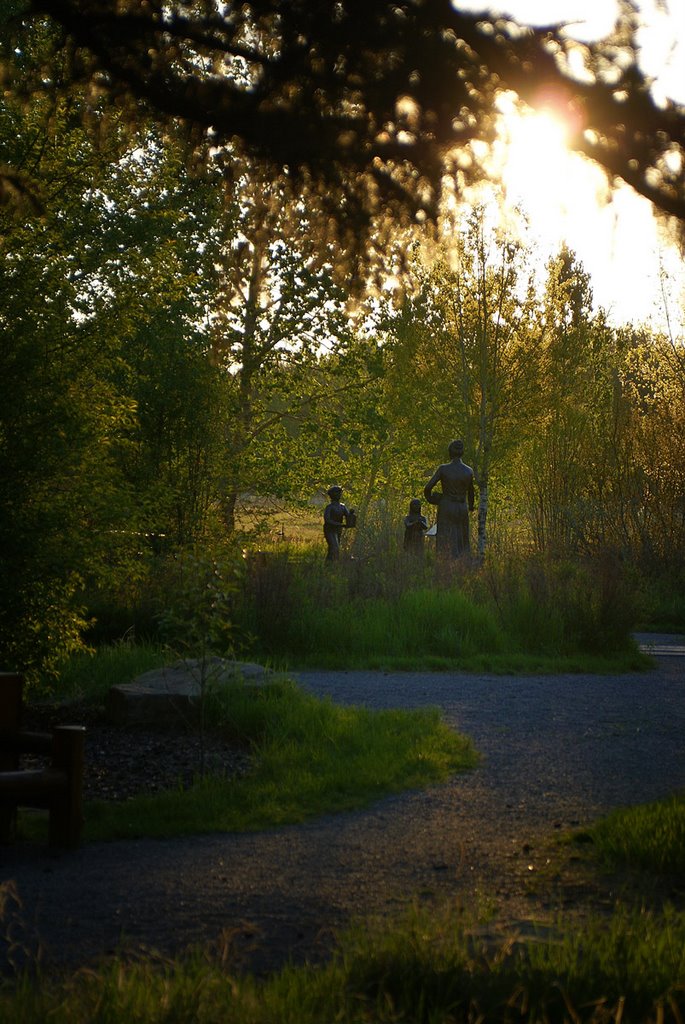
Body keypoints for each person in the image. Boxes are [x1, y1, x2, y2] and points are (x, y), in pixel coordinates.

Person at [424, 439, 475, 558]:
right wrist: (470, 507)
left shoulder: (443, 469)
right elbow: (471, 493)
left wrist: (433, 500)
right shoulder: (468, 471)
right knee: (462, 536)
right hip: (462, 507)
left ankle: (444, 561)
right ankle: (462, 561)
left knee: (445, 535)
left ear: (450, 452)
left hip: (446, 505)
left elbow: (428, 488)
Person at [323, 485, 355, 560]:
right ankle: (330, 565)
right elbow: (327, 519)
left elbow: (348, 516)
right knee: (334, 547)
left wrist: (351, 517)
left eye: (340, 493)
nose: (339, 495)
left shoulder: (342, 506)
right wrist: (340, 524)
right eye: (337, 493)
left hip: (338, 530)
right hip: (330, 530)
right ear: (333, 495)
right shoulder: (330, 507)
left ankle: (330, 565)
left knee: (334, 549)